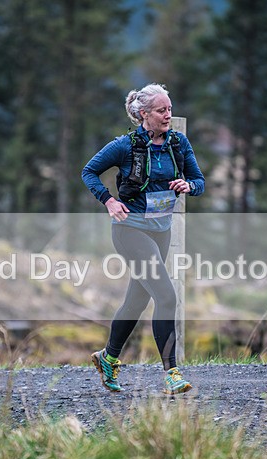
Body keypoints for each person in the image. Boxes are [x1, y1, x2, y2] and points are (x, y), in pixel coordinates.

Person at [81, 83, 205, 394]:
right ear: (143, 115)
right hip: (130, 231)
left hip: (161, 232)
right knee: (166, 297)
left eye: (170, 108)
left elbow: (199, 180)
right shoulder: (124, 146)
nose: (168, 115)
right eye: (162, 110)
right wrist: (108, 200)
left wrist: (189, 186)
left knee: (136, 301)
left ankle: (108, 358)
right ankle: (172, 372)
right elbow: (89, 171)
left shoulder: (179, 143)